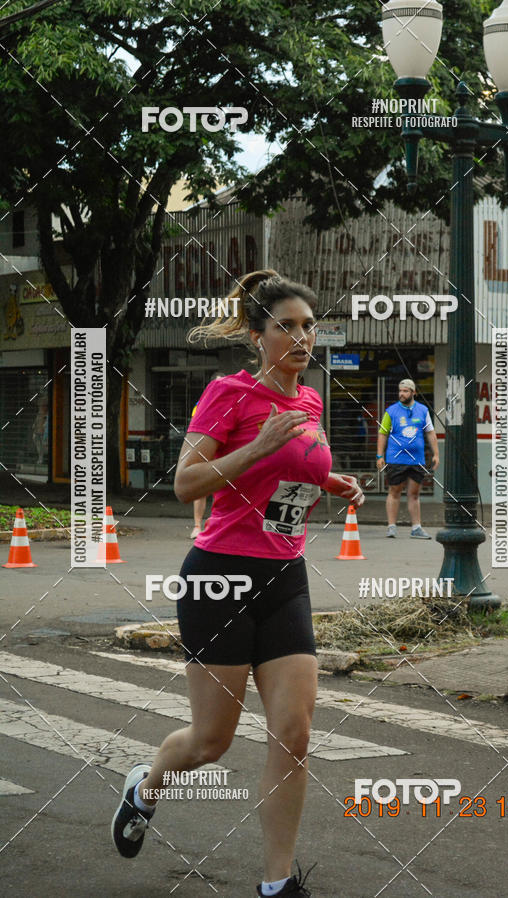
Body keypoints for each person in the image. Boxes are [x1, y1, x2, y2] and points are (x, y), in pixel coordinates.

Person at [111, 270, 364, 897]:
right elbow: (187, 483)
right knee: (211, 741)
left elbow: (295, 471)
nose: (302, 337)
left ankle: (278, 882)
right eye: (287, 326)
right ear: (257, 336)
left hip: (285, 577)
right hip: (218, 577)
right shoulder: (228, 393)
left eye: (308, 326)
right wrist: (254, 449)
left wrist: (335, 485)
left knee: (296, 731)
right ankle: (145, 786)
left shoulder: (307, 401)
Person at [376, 378, 439, 539]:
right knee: (394, 491)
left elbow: (430, 433)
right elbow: (383, 433)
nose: (401, 394)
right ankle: (391, 526)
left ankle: (416, 528)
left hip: (416, 460)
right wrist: (379, 455)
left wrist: (436, 454)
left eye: (405, 391)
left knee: (414, 493)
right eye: (400, 391)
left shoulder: (423, 410)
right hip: (396, 459)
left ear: (413, 392)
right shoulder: (391, 411)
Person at [190, 375, 224, 538]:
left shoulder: (233, 403)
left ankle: (217, 524)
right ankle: (197, 526)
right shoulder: (202, 404)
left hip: (225, 451)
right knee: (201, 489)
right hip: (207, 450)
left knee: (223, 490)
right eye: (216, 383)